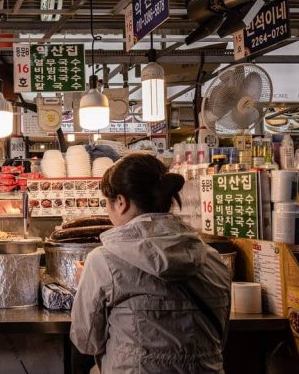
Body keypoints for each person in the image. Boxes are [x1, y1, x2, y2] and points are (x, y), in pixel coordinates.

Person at [70, 154, 231, 373]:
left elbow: (86, 341)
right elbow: (220, 337)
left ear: (120, 202)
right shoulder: (213, 258)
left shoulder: (103, 261)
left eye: (106, 202)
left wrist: (85, 285)